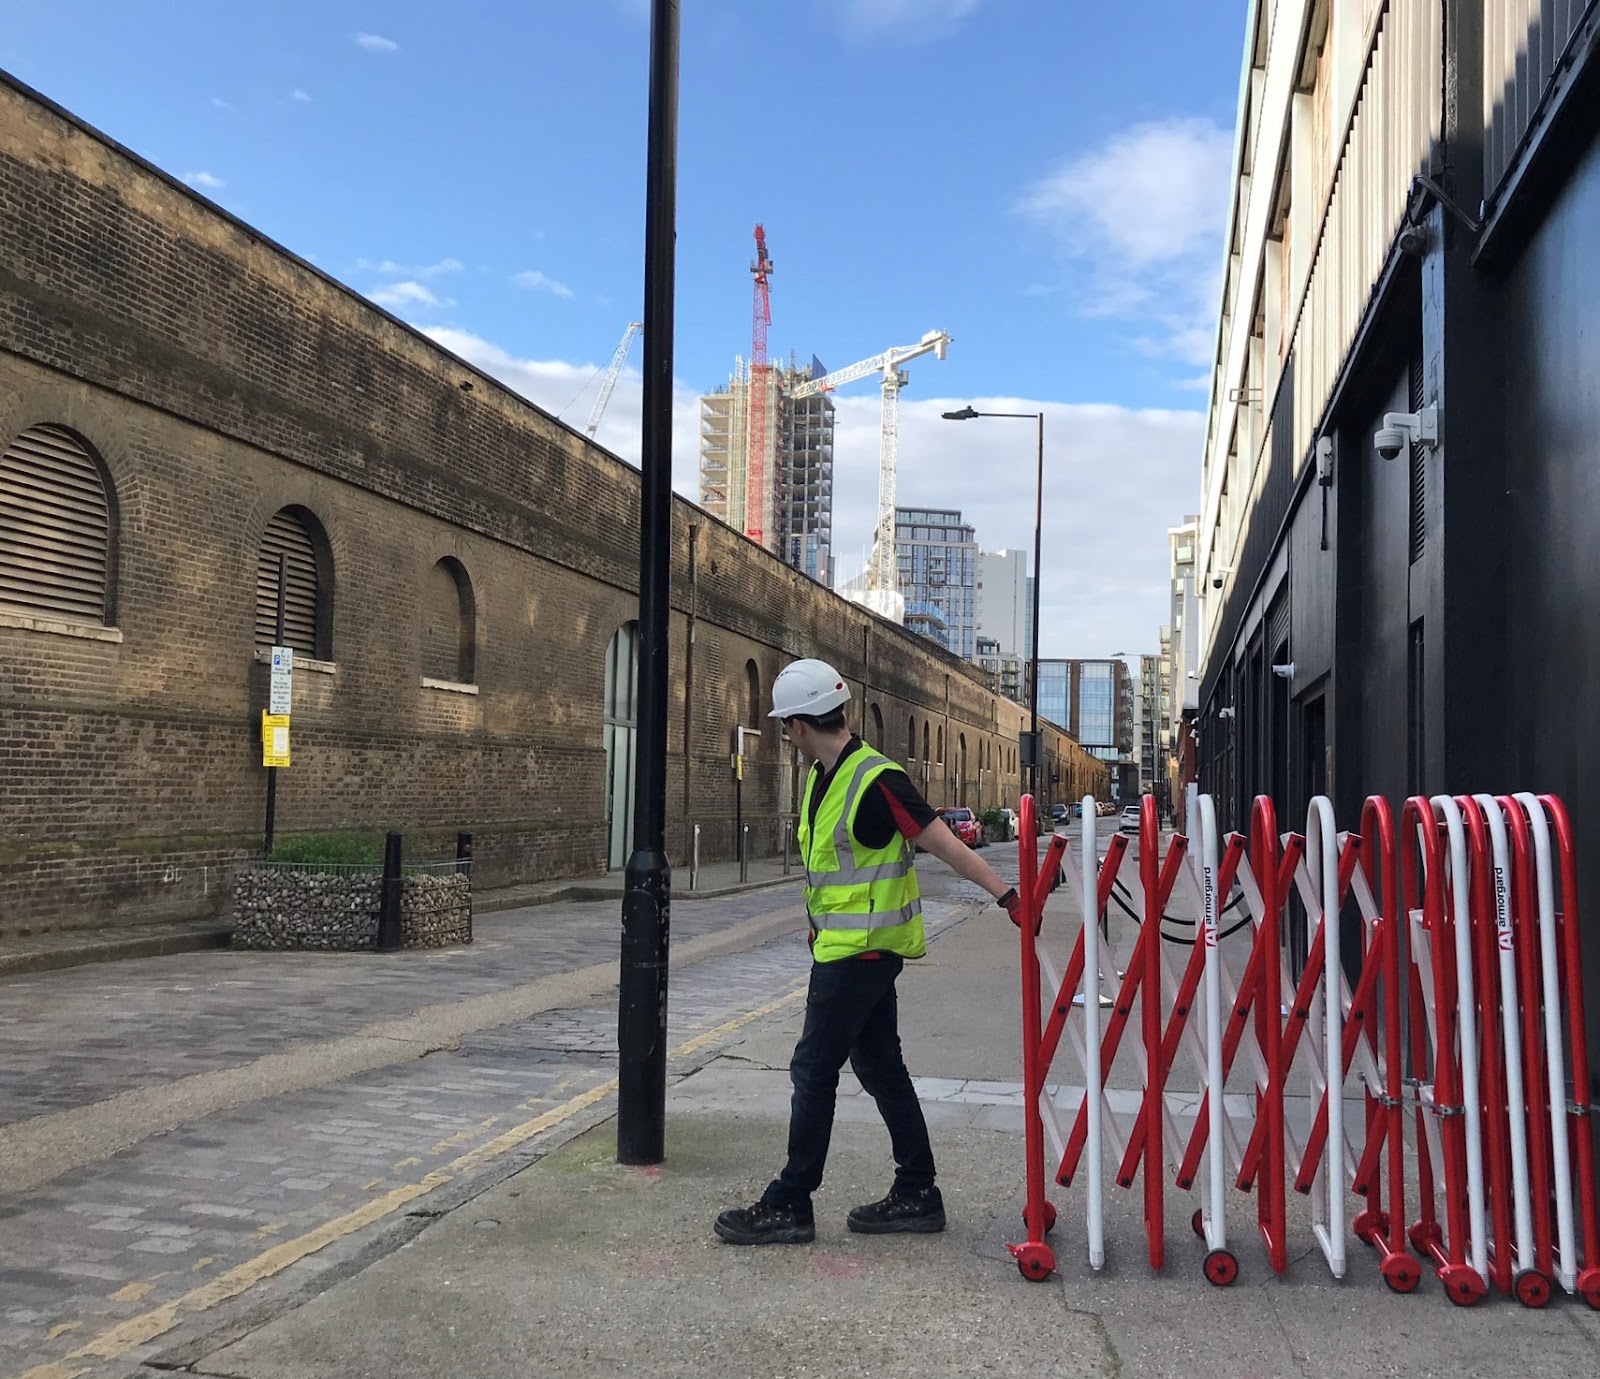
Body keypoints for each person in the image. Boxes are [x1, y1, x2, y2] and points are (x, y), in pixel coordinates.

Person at [714, 658, 1026, 1245]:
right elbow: (830, 869)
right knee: (880, 1067)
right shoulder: (822, 777)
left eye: (786, 724)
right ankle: (917, 1192)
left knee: (812, 1069)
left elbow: (944, 843)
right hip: (843, 948)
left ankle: (791, 1201)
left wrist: (1007, 896)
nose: (785, 734)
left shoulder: (876, 780)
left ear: (802, 725)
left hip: (860, 955)